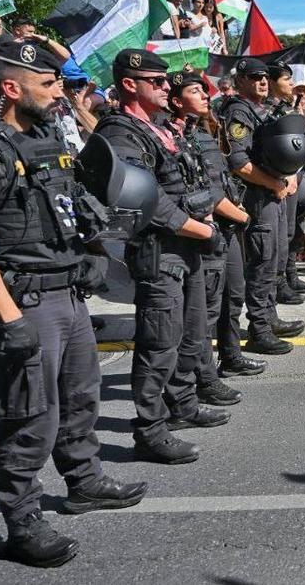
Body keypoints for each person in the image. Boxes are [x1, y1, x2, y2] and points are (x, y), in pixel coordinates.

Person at [0, 38, 147, 567]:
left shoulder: (46, 135)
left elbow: (71, 205)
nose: (60, 92)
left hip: (68, 289)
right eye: (49, 83)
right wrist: (8, 316)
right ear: (11, 87)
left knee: (81, 399)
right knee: (30, 414)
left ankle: (84, 481)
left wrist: (95, 250)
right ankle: (23, 519)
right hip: (23, 297)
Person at [94, 49, 230, 464]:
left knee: (190, 333)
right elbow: (146, 201)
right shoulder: (120, 133)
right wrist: (202, 228)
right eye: (156, 81)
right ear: (129, 84)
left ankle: (183, 404)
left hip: (185, 247)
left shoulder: (157, 128)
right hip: (159, 250)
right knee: (158, 343)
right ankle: (150, 430)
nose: (165, 87)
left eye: (165, 80)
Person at [164, 70, 265, 401]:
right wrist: (241, 215)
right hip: (209, 230)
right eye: (196, 91)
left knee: (233, 295)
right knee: (205, 311)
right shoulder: (176, 138)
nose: (205, 95)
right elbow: (206, 191)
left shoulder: (203, 132)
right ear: (177, 101)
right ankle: (202, 378)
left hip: (226, 229)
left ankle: (230, 356)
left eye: (204, 90)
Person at [221, 59, 304, 353]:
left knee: (276, 256)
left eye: (264, 77)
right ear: (240, 80)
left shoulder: (261, 109)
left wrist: (285, 177)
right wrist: (274, 184)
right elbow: (239, 163)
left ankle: (269, 317)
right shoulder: (238, 112)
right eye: (254, 77)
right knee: (262, 260)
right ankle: (259, 329)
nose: (262, 81)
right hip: (257, 195)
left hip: (273, 192)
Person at [265, 61, 305, 303]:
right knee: (280, 234)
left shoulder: (291, 108)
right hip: (275, 182)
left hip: (296, 176)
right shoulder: (263, 111)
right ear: (272, 82)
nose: (292, 84)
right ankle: (278, 283)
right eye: (287, 79)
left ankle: (291, 272)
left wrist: (302, 109)